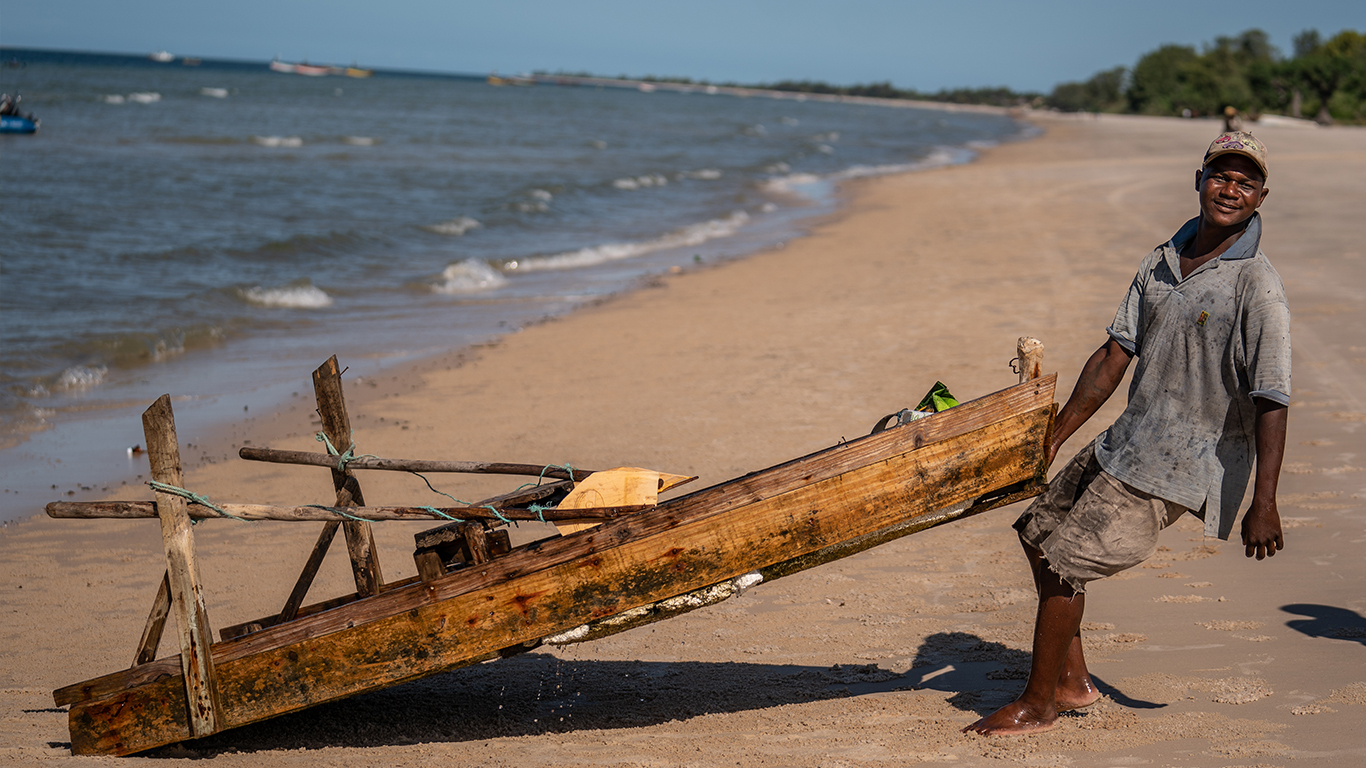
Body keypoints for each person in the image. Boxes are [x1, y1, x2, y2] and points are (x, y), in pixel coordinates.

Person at [963, 131, 1290, 736]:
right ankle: (1071, 680)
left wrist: (1263, 502)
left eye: (1245, 182)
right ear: (1199, 180)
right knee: (1037, 533)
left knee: (1065, 564)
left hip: (1182, 459)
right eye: (1221, 175)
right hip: (1130, 439)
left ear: (1261, 197)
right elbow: (1115, 353)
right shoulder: (1163, 259)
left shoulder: (1257, 286)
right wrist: (1056, 435)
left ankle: (1038, 704)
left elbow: (1273, 397)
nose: (1230, 190)